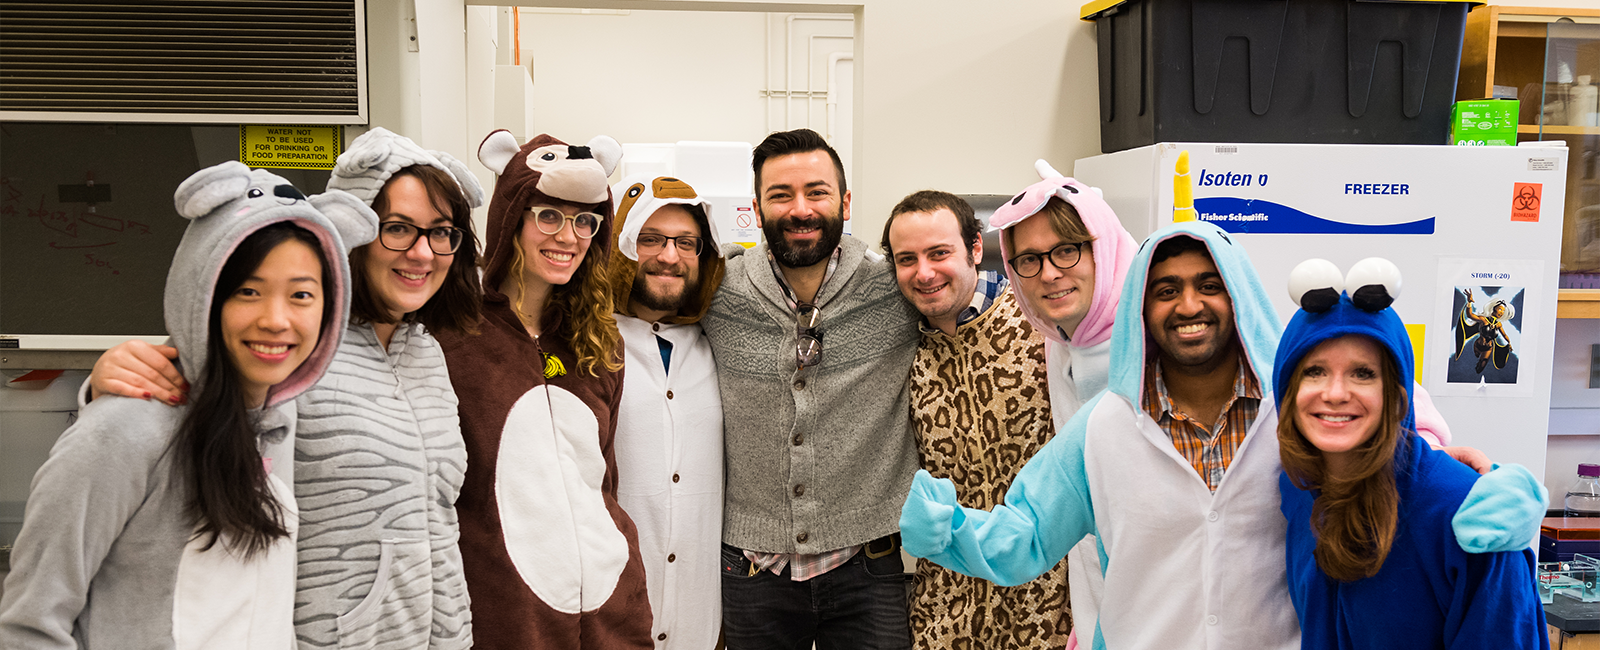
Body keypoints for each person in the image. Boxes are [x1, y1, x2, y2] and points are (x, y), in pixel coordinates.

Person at [899, 221, 1547, 650]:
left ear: (1239, 296)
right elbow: (1029, 533)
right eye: (1166, 290)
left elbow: (1391, 435)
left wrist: (1481, 485)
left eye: (1210, 285)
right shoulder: (1101, 428)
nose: (1188, 305)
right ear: (1140, 308)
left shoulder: (1297, 412)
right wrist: (953, 531)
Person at [78, 128, 485, 649]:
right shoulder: (295, 340)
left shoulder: (427, 353)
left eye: (441, 231)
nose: (423, 253)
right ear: (354, 230)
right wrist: (104, 384)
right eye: (398, 229)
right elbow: (177, 405)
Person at [0, 162, 374, 649]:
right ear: (203, 295)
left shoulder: (277, 421)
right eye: (248, 291)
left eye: (302, 294)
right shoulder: (125, 430)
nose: (276, 319)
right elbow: (28, 625)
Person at [700, 128, 922, 649]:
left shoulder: (895, 288)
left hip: (868, 565)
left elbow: (971, 299)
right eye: (781, 195)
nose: (801, 209)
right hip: (750, 570)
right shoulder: (716, 291)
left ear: (845, 202)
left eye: (817, 192)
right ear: (757, 209)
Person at [440, 130, 652, 649]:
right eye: (549, 216)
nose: (569, 236)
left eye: (585, 221)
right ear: (512, 217)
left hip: (609, 613)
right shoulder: (451, 337)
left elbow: (602, 479)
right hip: (504, 614)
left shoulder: (599, 341)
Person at [1274, 260, 1548, 649]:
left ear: (1398, 395)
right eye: (1314, 372)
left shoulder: (1471, 520)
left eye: (1363, 373)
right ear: (1286, 391)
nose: (1334, 393)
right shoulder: (1298, 488)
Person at [607, 173, 728, 649]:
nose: (669, 255)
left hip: (704, 617)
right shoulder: (588, 344)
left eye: (686, 242)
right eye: (650, 239)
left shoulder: (717, 346)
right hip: (612, 613)